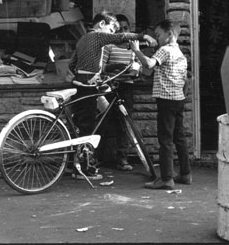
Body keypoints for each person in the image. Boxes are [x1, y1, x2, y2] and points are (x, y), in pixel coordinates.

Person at [68, 11, 156, 180]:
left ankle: (80, 162)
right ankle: (83, 169)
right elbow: (120, 38)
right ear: (101, 24)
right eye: (110, 29)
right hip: (88, 86)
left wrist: (109, 67)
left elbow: (73, 64)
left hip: (80, 84)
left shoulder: (82, 40)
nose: (111, 34)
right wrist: (144, 36)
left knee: (88, 121)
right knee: (87, 127)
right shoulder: (98, 35)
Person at [129, 19, 191, 189]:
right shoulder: (180, 54)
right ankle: (185, 174)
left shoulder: (165, 50)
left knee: (165, 140)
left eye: (158, 34)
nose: (156, 38)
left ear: (169, 34)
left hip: (166, 100)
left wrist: (136, 51)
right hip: (178, 99)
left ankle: (166, 179)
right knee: (179, 138)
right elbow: (185, 81)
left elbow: (149, 64)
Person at [101, 14, 141, 171]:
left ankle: (122, 157)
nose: (124, 32)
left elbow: (138, 65)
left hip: (127, 86)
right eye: (120, 29)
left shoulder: (133, 47)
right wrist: (115, 67)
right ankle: (101, 156)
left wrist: (136, 71)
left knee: (125, 122)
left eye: (126, 28)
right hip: (111, 86)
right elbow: (102, 67)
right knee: (105, 121)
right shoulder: (109, 45)